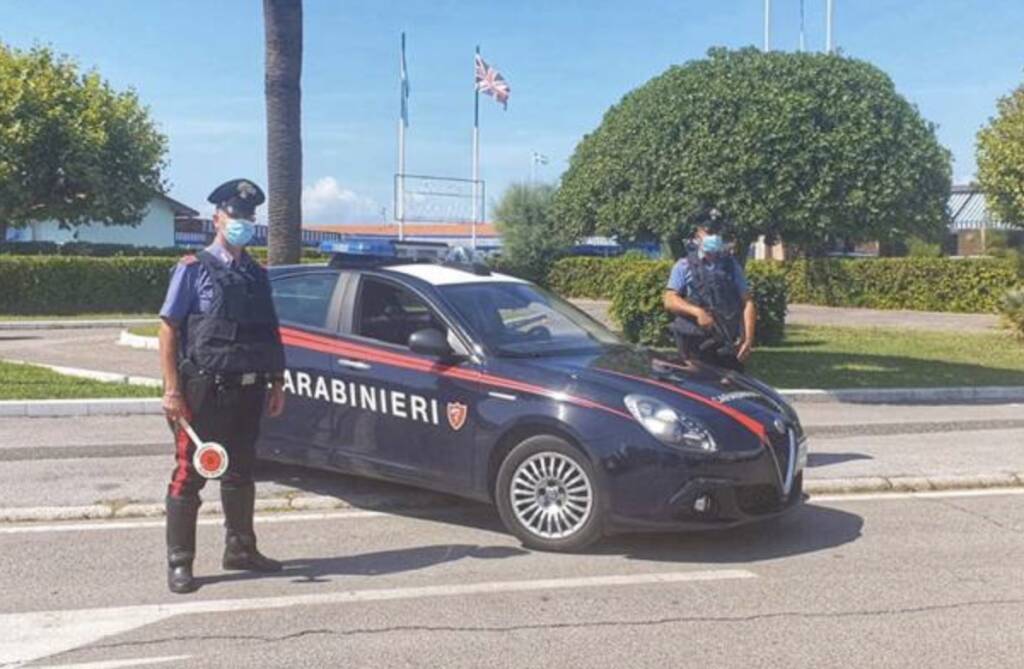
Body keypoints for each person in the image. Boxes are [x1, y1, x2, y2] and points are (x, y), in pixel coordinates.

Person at [158, 178, 287, 594]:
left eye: (249, 216)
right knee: (189, 475)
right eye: (236, 215)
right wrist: (172, 390)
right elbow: (168, 329)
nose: (243, 222)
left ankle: (241, 549)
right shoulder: (193, 269)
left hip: (248, 389)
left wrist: (276, 381)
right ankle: (181, 562)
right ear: (217, 218)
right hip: (203, 392)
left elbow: (269, 331)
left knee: (241, 472)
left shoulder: (255, 274)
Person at [663, 207, 756, 372]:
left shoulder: (731, 265)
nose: (714, 236)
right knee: (699, 389)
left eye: (717, 232)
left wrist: (747, 339)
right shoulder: (684, 265)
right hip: (694, 344)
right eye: (709, 231)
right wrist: (697, 312)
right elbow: (670, 299)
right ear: (697, 235)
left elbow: (747, 301)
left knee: (731, 388)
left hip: (725, 342)